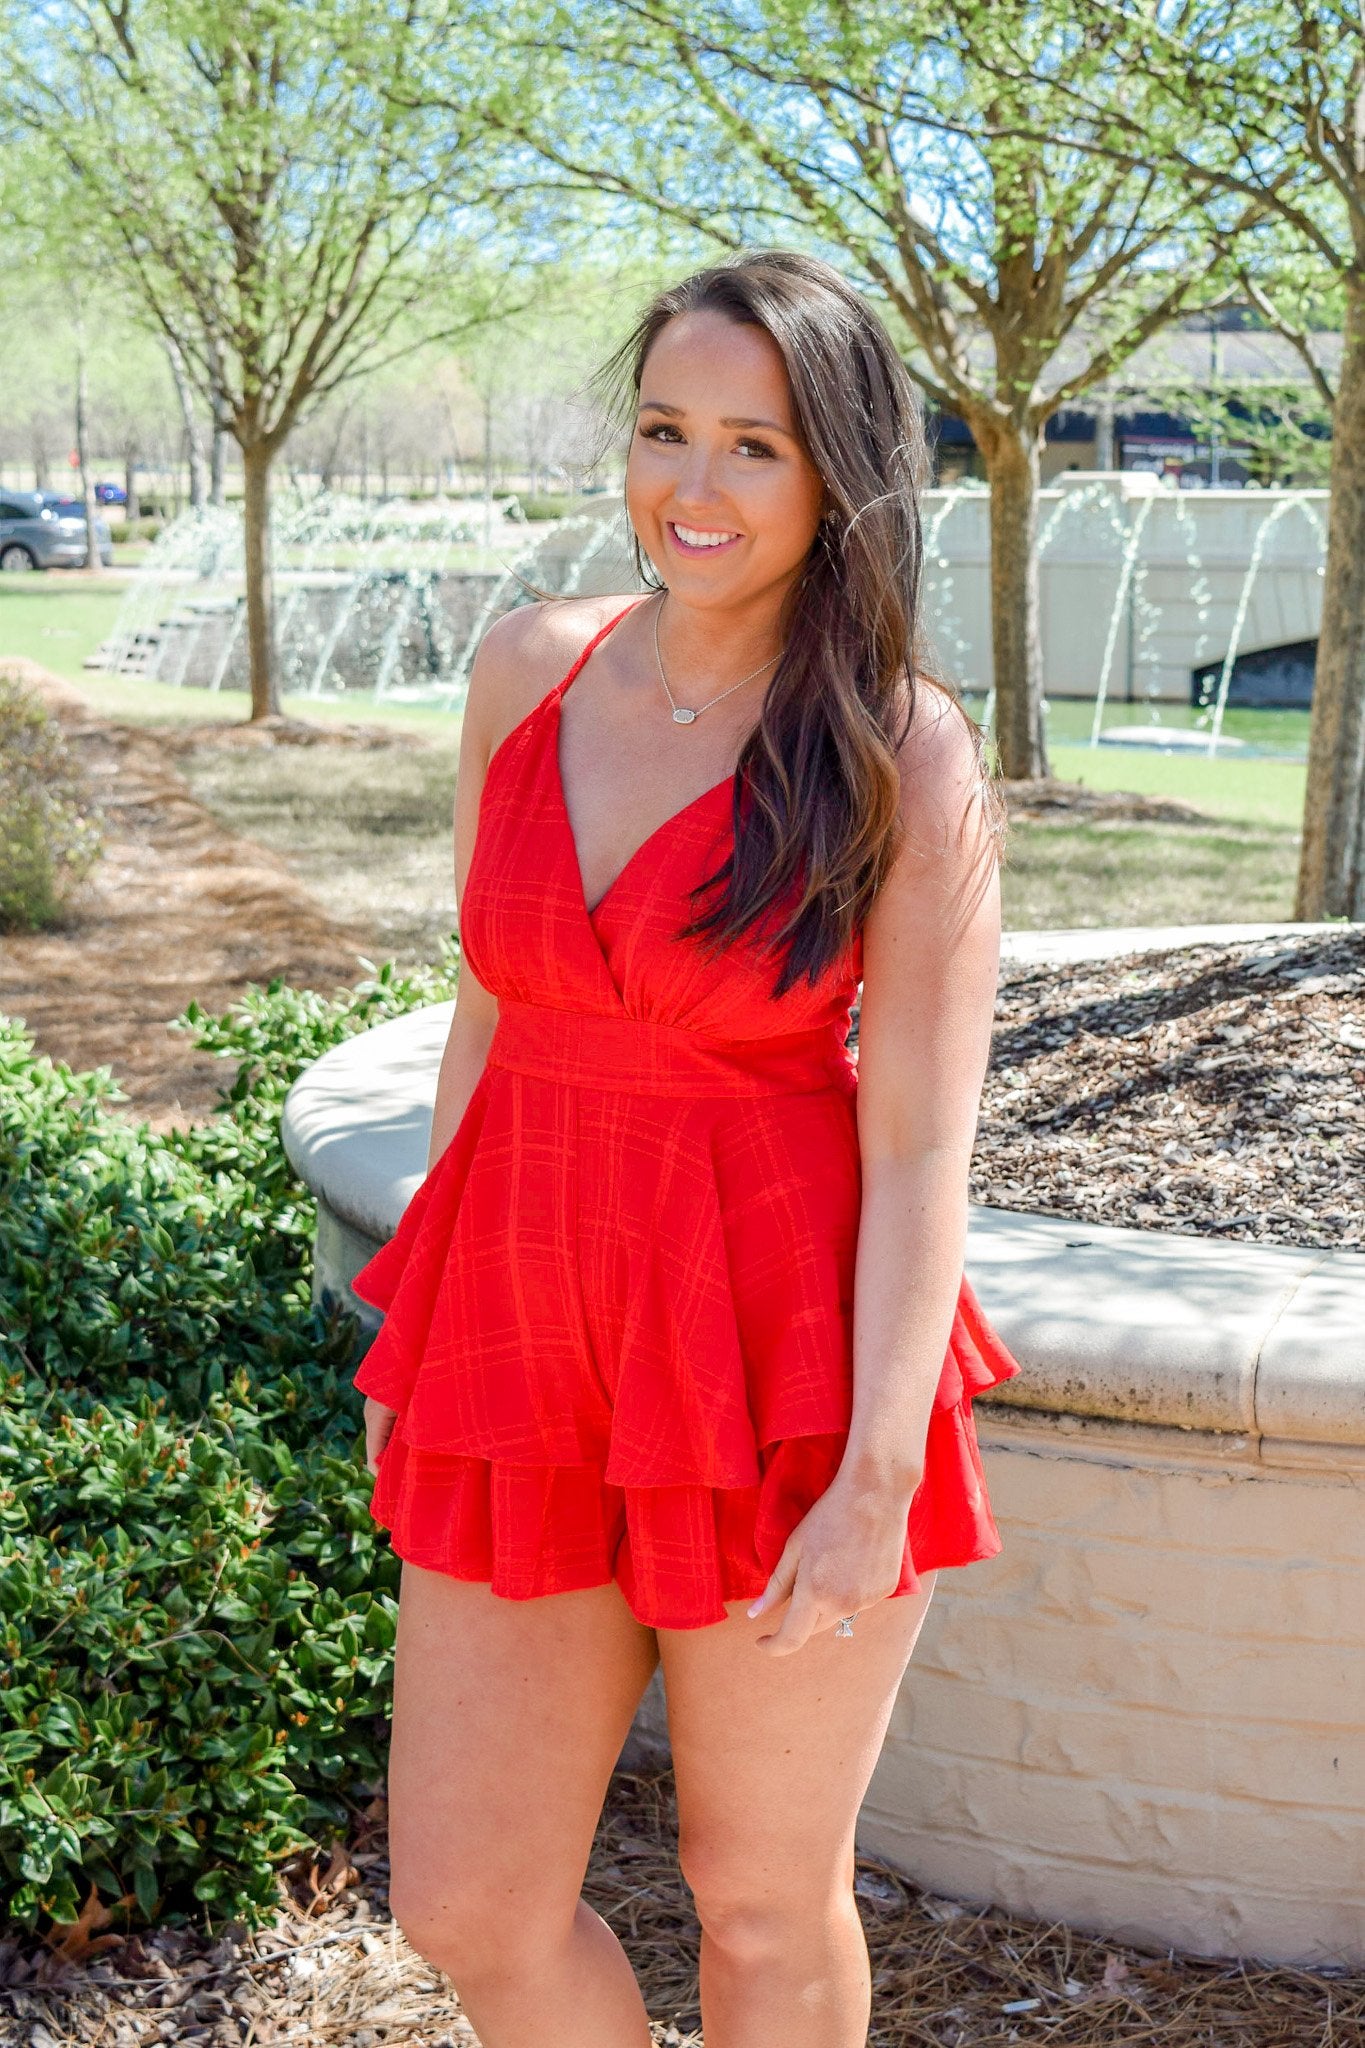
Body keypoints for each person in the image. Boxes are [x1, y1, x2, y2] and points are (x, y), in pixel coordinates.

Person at [350, 249, 1021, 2048]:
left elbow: (916, 1147)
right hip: (520, 1336)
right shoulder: (530, 670)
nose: (692, 490)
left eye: (754, 447)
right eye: (665, 431)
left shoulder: (896, 749)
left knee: (759, 1907)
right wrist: (420, 1331)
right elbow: (490, 1022)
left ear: (839, 478)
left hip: (775, 1364)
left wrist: (876, 1471)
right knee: (467, 1904)